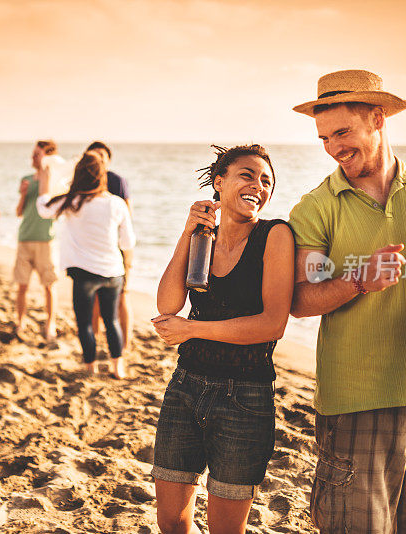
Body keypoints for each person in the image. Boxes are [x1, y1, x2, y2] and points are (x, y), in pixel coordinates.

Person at [288, 70, 406, 533]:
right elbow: (301, 301)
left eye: (342, 132)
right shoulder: (315, 207)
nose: (333, 147)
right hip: (353, 402)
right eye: (324, 137)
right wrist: (359, 281)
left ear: (378, 119)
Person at [151, 144, 295, 534]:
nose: (258, 186)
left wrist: (193, 329)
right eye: (247, 175)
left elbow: (272, 324)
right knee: (170, 522)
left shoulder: (275, 234)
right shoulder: (202, 238)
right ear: (219, 182)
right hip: (185, 388)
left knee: (226, 530)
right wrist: (188, 232)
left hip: (245, 398)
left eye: (267, 180)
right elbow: (167, 302)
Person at [36, 151, 135, 377]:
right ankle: (117, 366)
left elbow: (43, 209)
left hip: (83, 275)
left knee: (85, 324)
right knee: (111, 321)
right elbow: (128, 241)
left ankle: (90, 367)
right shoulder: (116, 203)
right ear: (103, 176)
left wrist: (44, 182)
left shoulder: (73, 201)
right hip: (112, 272)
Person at [86, 141, 134, 353]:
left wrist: (127, 252)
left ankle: (125, 345)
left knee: (122, 295)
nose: (97, 161)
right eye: (93, 156)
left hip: (118, 248)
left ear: (107, 160)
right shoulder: (83, 183)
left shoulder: (117, 181)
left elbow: (128, 218)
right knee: (94, 297)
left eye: (101, 157)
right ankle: (94, 342)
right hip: (92, 248)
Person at [14, 140, 61, 342]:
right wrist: (24, 194)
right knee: (22, 285)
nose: (33, 158)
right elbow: (18, 212)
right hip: (25, 238)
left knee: (49, 285)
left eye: (37, 154)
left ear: (46, 156)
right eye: (32, 154)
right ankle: (20, 322)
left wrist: (46, 177)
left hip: (45, 240)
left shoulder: (54, 179)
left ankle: (50, 323)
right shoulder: (26, 178)